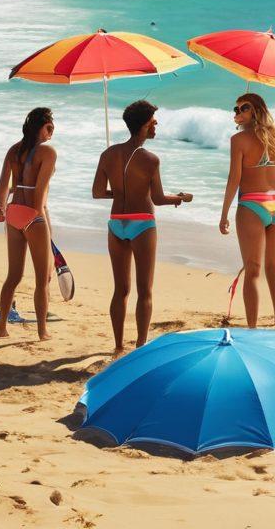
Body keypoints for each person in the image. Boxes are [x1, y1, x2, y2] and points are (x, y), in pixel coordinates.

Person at [91, 100, 192, 358]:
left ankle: (117, 345)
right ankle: (140, 346)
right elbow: (157, 199)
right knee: (144, 289)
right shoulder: (150, 159)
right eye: (153, 121)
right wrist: (180, 197)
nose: (156, 125)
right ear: (145, 125)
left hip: (116, 222)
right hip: (142, 223)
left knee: (120, 289)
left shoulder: (108, 154)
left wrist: (122, 191)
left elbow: (98, 192)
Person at [219, 94, 275, 327]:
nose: (237, 112)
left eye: (244, 107)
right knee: (273, 267)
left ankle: (252, 328)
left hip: (252, 204)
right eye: (236, 107)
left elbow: (234, 179)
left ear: (256, 110)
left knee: (252, 270)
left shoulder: (238, 140)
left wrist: (223, 214)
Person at [0, 107, 56, 340]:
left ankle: (2, 329)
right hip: (34, 215)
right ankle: (42, 331)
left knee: (14, 276)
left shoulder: (14, 150)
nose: (51, 132)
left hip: (13, 213)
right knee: (43, 277)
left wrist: (2, 207)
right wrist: (45, 226)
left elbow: (3, 185)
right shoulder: (48, 152)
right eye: (49, 127)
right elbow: (39, 194)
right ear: (40, 128)